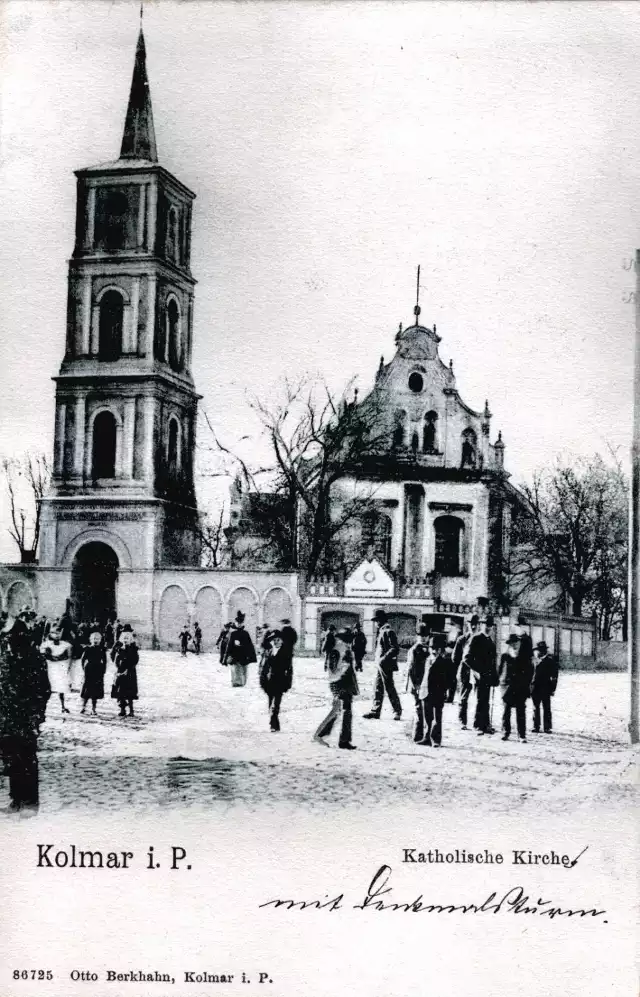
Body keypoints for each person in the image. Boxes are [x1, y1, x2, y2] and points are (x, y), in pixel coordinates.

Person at [0, 617, 50, 810]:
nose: (7, 641)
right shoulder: (6, 656)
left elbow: (43, 690)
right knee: (11, 757)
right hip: (6, 717)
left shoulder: (35, 658)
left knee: (27, 758)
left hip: (26, 718)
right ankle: (16, 799)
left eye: (10, 637)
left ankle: (29, 802)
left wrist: (37, 717)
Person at [314, 629, 359, 749]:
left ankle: (325, 735)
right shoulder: (339, 649)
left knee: (340, 711)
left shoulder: (341, 648)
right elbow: (333, 670)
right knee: (344, 712)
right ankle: (336, 739)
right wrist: (344, 669)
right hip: (340, 684)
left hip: (343, 684)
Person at [363, 609, 402, 721]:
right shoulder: (383, 631)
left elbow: (395, 648)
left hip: (386, 665)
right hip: (381, 665)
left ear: (380, 621)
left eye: (376, 621)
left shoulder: (388, 631)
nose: (375, 623)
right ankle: (375, 711)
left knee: (389, 688)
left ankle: (397, 711)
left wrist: (383, 659)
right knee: (378, 687)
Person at [463, 614, 498, 735]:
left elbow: (493, 662)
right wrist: (476, 671)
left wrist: (495, 677)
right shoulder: (476, 638)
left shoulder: (491, 642)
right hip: (478, 676)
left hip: (487, 676)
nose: (487, 627)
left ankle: (486, 725)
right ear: (481, 625)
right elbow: (466, 658)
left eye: (489, 625)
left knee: (486, 700)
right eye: (485, 625)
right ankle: (477, 725)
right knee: (479, 700)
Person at [498, 633, 534, 742]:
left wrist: (527, 686)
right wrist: (500, 683)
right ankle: (505, 732)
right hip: (507, 688)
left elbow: (530, 672)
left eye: (516, 643)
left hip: (520, 688)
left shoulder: (525, 657)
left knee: (520, 711)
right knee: (506, 711)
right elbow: (500, 671)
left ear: (520, 643)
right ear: (509, 644)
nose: (515, 645)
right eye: (512, 643)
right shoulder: (505, 656)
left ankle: (521, 735)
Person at [417, 632, 450, 747]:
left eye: (436, 649)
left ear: (441, 650)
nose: (434, 651)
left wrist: (446, 692)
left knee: (437, 717)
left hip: (438, 693)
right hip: (425, 692)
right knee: (427, 717)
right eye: (432, 648)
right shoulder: (427, 660)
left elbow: (448, 679)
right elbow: (423, 675)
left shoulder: (445, 661)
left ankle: (436, 739)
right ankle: (426, 737)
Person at [259, 630, 294, 732]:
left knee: (276, 703)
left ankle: (273, 723)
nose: (276, 642)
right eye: (274, 640)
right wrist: (262, 680)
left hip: (280, 681)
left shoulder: (286, 652)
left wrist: (288, 682)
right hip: (269, 682)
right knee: (270, 702)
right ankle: (273, 721)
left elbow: (290, 669)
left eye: (278, 640)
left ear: (282, 641)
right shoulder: (268, 651)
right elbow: (263, 667)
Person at [40, 623, 73, 715]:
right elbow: (44, 656)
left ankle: (62, 706)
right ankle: (45, 706)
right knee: (48, 687)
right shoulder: (46, 644)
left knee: (61, 687)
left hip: (60, 667)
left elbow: (69, 656)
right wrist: (49, 656)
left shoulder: (66, 645)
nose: (57, 635)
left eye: (58, 633)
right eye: (54, 633)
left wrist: (66, 666)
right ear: (50, 634)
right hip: (50, 667)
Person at [405, 625, 430, 742]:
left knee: (424, 710)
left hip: (425, 684)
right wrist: (416, 685)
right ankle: (417, 736)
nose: (423, 638)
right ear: (417, 636)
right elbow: (411, 669)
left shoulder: (429, 649)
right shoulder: (414, 650)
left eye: (425, 636)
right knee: (419, 709)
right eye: (421, 636)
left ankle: (424, 735)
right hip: (417, 684)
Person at [531, 640, 559, 733]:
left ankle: (547, 727)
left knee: (546, 707)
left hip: (546, 688)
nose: (539, 652)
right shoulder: (534, 661)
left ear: (544, 651)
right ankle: (536, 726)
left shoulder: (550, 661)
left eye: (541, 650)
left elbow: (554, 676)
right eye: (538, 650)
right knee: (536, 707)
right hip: (535, 688)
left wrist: (553, 689)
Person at [111, 625, 139, 718]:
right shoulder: (118, 644)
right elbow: (113, 654)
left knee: (130, 691)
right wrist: (117, 665)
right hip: (120, 670)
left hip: (130, 671)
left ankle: (131, 710)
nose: (126, 634)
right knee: (120, 690)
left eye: (128, 633)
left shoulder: (133, 645)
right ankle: (122, 709)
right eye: (125, 633)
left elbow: (136, 658)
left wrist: (130, 667)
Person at [223, 612, 256, 687]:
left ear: (242, 623)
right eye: (238, 622)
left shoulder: (245, 633)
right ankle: (236, 682)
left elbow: (249, 645)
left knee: (244, 668)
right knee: (235, 668)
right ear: (236, 623)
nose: (239, 624)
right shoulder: (233, 634)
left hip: (243, 655)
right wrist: (226, 656)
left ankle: (242, 682)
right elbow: (229, 645)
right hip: (235, 655)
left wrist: (251, 656)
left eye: (240, 623)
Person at [80, 630, 107, 715]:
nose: (96, 640)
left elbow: (105, 660)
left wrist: (103, 670)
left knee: (95, 690)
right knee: (87, 689)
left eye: (98, 639)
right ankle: (83, 707)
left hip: (98, 670)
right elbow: (83, 659)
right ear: (91, 640)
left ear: (100, 640)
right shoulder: (88, 648)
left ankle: (93, 708)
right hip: (89, 669)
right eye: (94, 638)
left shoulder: (102, 649)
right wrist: (83, 669)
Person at [454, 618, 474, 729]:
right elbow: (455, 658)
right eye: (472, 624)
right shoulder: (461, 640)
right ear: (468, 624)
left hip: (477, 672)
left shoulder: (481, 639)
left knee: (480, 698)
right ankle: (462, 721)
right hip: (464, 671)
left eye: (476, 624)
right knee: (463, 697)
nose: (474, 627)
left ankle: (480, 723)